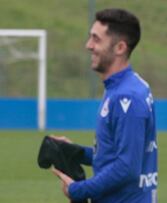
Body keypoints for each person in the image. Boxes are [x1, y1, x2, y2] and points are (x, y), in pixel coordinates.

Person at [51, 8, 158, 203]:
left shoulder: (127, 97)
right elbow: (116, 155)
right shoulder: (124, 87)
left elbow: (127, 168)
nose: (88, 45)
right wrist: (77, 152)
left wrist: (78, 190)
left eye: (96, 39)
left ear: (120, 48)